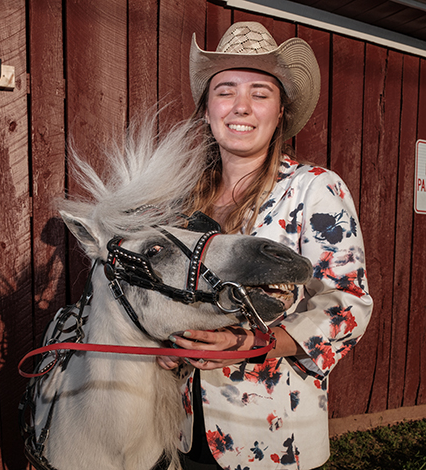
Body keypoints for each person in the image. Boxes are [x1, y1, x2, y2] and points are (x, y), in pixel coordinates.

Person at [157, 22, 373, 470]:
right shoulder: (179, 198)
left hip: (272, 435)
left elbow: (347, 304)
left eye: (259, 92)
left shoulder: (314, 190)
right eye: (226, 90)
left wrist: (252, 341)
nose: (241, 106)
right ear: (206, 109)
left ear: (280, 113)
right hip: (182, 425)